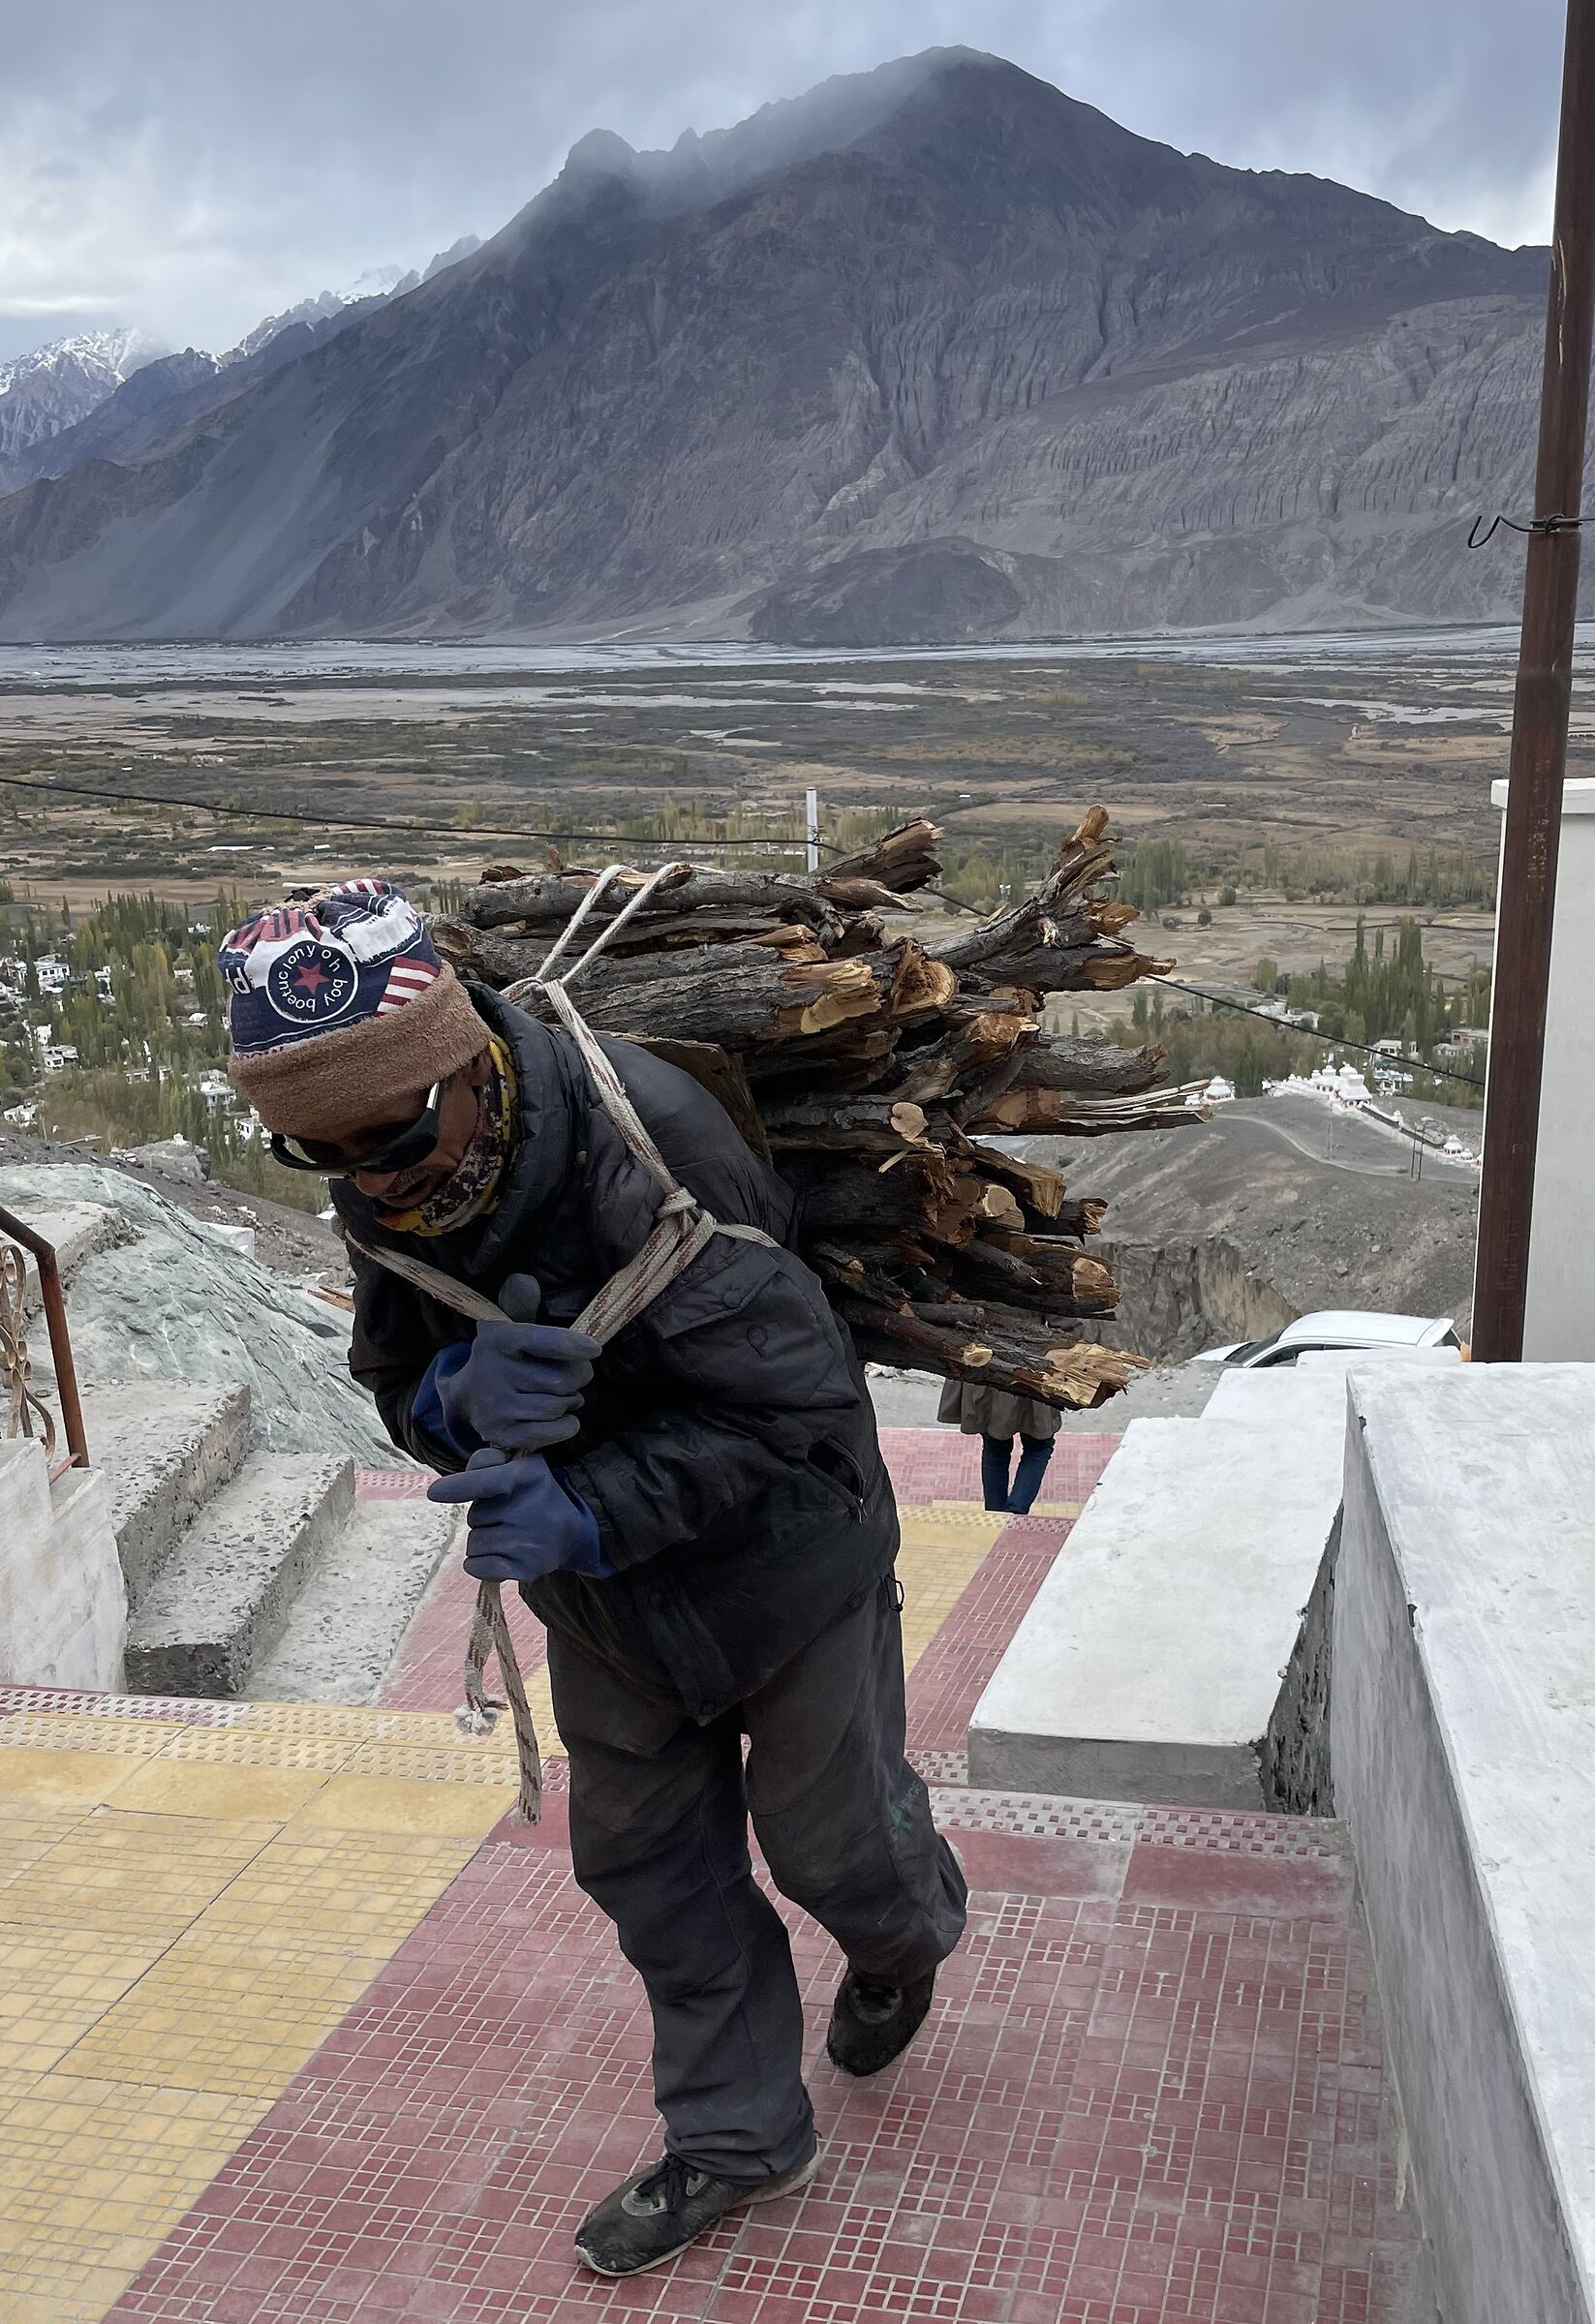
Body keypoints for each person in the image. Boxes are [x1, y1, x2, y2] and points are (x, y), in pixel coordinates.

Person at [220, 879, 967, 2278]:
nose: (365, 1175)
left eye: (382, 1132)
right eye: (311, 1147)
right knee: (644, 1866)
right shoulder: (389, 1188)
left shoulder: (652, 1154)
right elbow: (393, 1375)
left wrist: (586, 1509)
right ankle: (737, 2137)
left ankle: (902, 1934)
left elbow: (797, 1417)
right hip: (614, 1615)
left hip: (786, 1567)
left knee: (830, 1845)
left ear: (452, 1064)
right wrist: (446, 1396)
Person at [936, 1378, 1061, 1514]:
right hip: (1033, 1375)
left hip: (989, 1374)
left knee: (995, 1446)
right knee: (1038, 1446)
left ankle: (995, 1516)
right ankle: (1015, 1512)